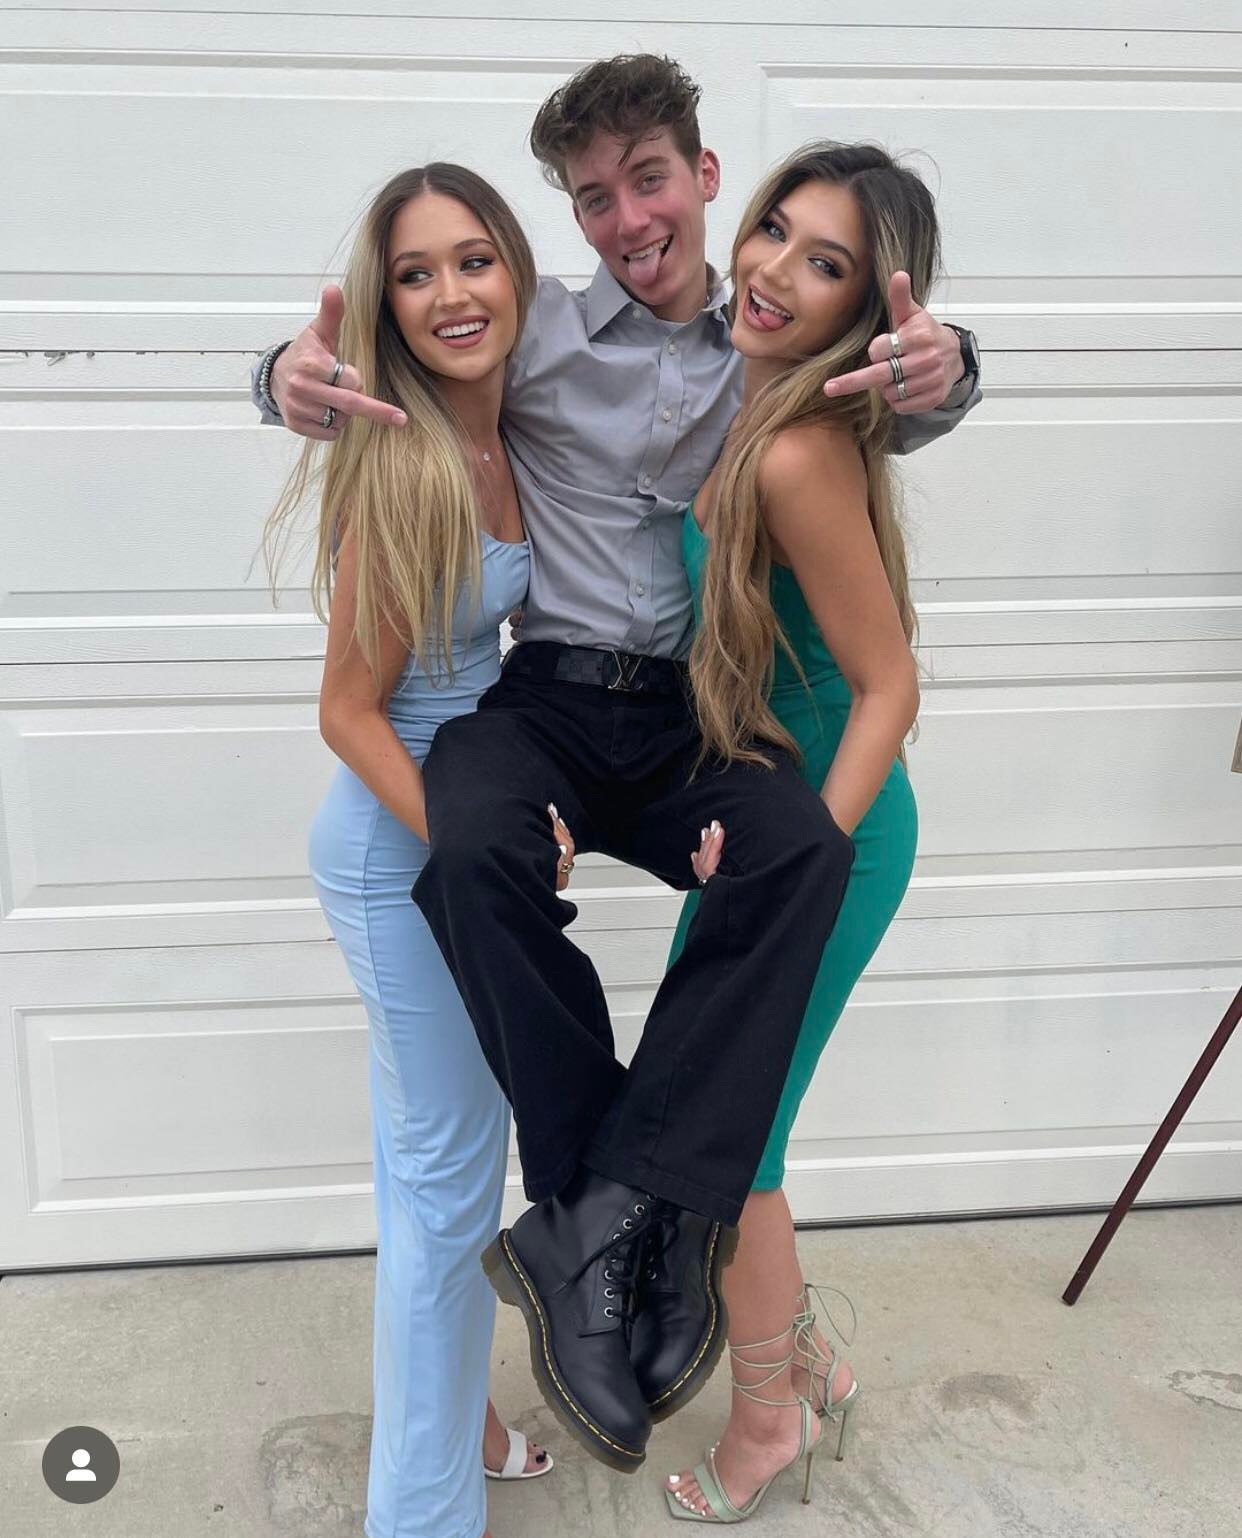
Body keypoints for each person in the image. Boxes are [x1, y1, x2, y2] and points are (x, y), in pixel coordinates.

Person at [252, 55, 981, 1473]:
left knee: (795, 851)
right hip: (552, 696)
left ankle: (602, 1230)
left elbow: (903, 387)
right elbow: (396, 353)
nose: (628, 218)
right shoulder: (526, 334)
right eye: (593, 198)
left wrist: (960, 362)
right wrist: (275, 380)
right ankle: (593, 1205)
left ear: (705, 177)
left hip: (695, 717)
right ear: (573, 216)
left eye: (650, 180)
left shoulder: (775, 342)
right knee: (470, 842)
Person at [262, 162, 560, 1538]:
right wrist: (481, 850)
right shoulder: (409, 457)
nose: (450, 293)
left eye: (472, 259)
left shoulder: (507, 426)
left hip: (450, 832)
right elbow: (347, 709)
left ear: (517, 272)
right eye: (415, 272)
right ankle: (421, 1515)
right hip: (403, 852)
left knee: (429, 1169)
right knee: (449, 1184)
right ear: (384, 304)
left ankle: (462, 1423)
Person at [660, 140, 939, 1522]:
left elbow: (890, 686)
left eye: (822, 262)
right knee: (723, 1127)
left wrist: (796, 872)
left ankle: (768, 1419)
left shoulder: (798, 453)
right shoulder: (739, 395)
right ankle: (807, 1356)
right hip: (761, 824)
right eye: (773, 227)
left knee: (729, 1147)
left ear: (861, 310)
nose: (772, 268)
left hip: (827, 834)